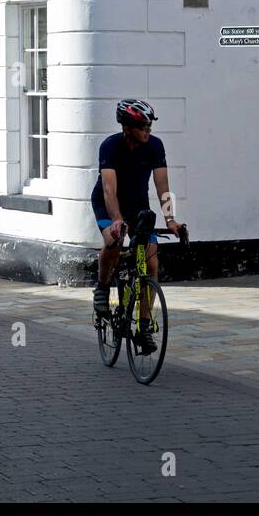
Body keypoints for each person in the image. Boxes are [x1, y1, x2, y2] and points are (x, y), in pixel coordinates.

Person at [91, 99, 183, 354]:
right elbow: (109, 190)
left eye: (149, 126)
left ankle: (143, 326)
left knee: (151, 262)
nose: (148, 131)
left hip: (138, 206)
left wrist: (169, 219)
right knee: (114, 240)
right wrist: (117, 220)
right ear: (128, 127)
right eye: (143, 127)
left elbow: (162, 186)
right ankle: (101, 286)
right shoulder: (110, 147)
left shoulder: (154, 146)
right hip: (108, 203)